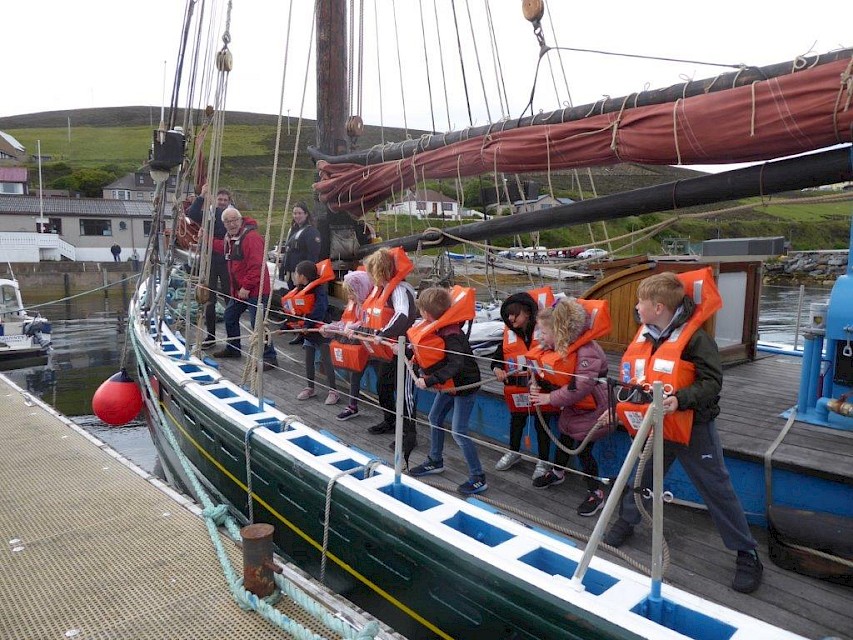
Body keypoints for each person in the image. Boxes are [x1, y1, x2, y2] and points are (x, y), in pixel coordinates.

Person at [605, 269, 763, 594]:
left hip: (692, 426)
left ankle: (747, 552)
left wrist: (681, 400)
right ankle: (628, 519)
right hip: (654, 423)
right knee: (640, 476)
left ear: (659, 307)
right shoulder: (646, 334)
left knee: (716, 487)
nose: (637, 307)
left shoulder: (696, 339)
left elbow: (711, 383)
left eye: (641, 302)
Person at [528, 299, 612, 516]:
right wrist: (538, 382)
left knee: (583, 450)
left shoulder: (588, 351)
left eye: (544, 332)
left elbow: (581, 386)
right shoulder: (554, 348)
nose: (540, 337)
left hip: (593, 408)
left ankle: (596, 492)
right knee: (564, 437)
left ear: (560, 331)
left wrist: (549, 398)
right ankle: (558, 472)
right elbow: (551, 374)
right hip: (571, 406)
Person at [407, 287, 487, 495]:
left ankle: (478, 476)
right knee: (435, 417)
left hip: (463, 386)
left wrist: (430, 380)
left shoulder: (452, 334)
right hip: (449, 385)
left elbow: (456, 364)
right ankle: (435, 460)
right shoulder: (436, 327)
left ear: (427, 313)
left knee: (458, 431)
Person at [491, 288, 557, 480]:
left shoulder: (545, 333)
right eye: (508, 316)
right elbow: (496, 360)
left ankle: (543, 460)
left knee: (541, 424)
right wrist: (497, 371)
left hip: (541, 388)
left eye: (515, 314)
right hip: (517, 389)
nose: (511, 319)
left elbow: (557, 358)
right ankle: (514, 451)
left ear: (528, 312)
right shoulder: (508, 335)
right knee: (516, 421)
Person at [359, 247, 417, 451]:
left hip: (404, 349)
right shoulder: (381, 290)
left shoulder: (400, 289)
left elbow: (402, 316)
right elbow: (371, 318)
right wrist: (357, 328)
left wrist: (382, 333)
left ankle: (409, 435)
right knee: (383, 386)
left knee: (404, 394)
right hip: (386, 350)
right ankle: (390, 420)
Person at [211, 207, 277, 369]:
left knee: (258, 324)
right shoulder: (230, 238)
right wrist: (205, 240)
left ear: (240, 220)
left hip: (255, 290)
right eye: (228, 221)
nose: (232, 224)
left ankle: (269, 357)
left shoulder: (251, 238)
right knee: (230, 316)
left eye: (234, 220)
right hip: (240, 290)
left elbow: (257, 266)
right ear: (224, 224)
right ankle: (233, 348)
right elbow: (222, 246)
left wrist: (246, 287)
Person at [281, 260, 340, 404]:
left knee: (326, 360)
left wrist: (308, 323)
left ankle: (333, 390)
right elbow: (294, 312)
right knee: (308, 359)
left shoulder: (319, 291)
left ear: (303, 276)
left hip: (320, 330)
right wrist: (287, 325)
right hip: (308, 332)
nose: (294, 276)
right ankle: (310, 387)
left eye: (296, 273)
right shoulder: (299, 290)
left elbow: (320, 309)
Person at [321, 270, 374, 420]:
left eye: (352, 293)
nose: (350, 297)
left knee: (382, 384)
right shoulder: (354, 304)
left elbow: (365, 324)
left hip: (372, 348)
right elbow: (345, 322)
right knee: (354, 375)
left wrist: (353, 328)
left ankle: (390, 418)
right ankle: (352, 406)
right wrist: (330, 327)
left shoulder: (368, 306)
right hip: (358, 345)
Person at [187, 184, 232, 347]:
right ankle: (211, 336)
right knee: (209, 299)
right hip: (211, 261)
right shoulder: (209, 214)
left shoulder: (232, 216)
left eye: (225, 200)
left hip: (227, 261)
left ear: (229, 202)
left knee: (229, 298)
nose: (222, 202)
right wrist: (202, 196)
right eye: (219, 199)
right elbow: (191, 214)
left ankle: (231, 337)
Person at [280, 202, 321, 344]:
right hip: (292, 272)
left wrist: (308, 277)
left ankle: (303, 332)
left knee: (302, 303)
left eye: (299, 213)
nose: (297, 216)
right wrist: (282, 269)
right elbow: (287, 251)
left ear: (306, 214)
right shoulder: (293, 230)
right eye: (295, 213)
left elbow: (313, 254)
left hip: (302, 275)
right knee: (293, 303)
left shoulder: (311, 232)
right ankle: (294, 326)